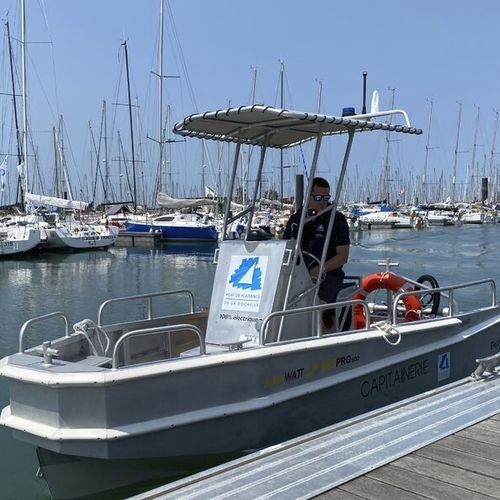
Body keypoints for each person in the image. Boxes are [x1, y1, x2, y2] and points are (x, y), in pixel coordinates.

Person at [283, 177, 350, 328]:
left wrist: (319, 270)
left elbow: (343, 256)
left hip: (328, 275)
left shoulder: (337, 220)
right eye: (318, 197)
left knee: (315, 306)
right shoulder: (296, 220)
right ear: (309, 196)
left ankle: (317, 337)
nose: (322, 202)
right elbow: (285, 248)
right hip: (298, 274)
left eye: (326, 198)